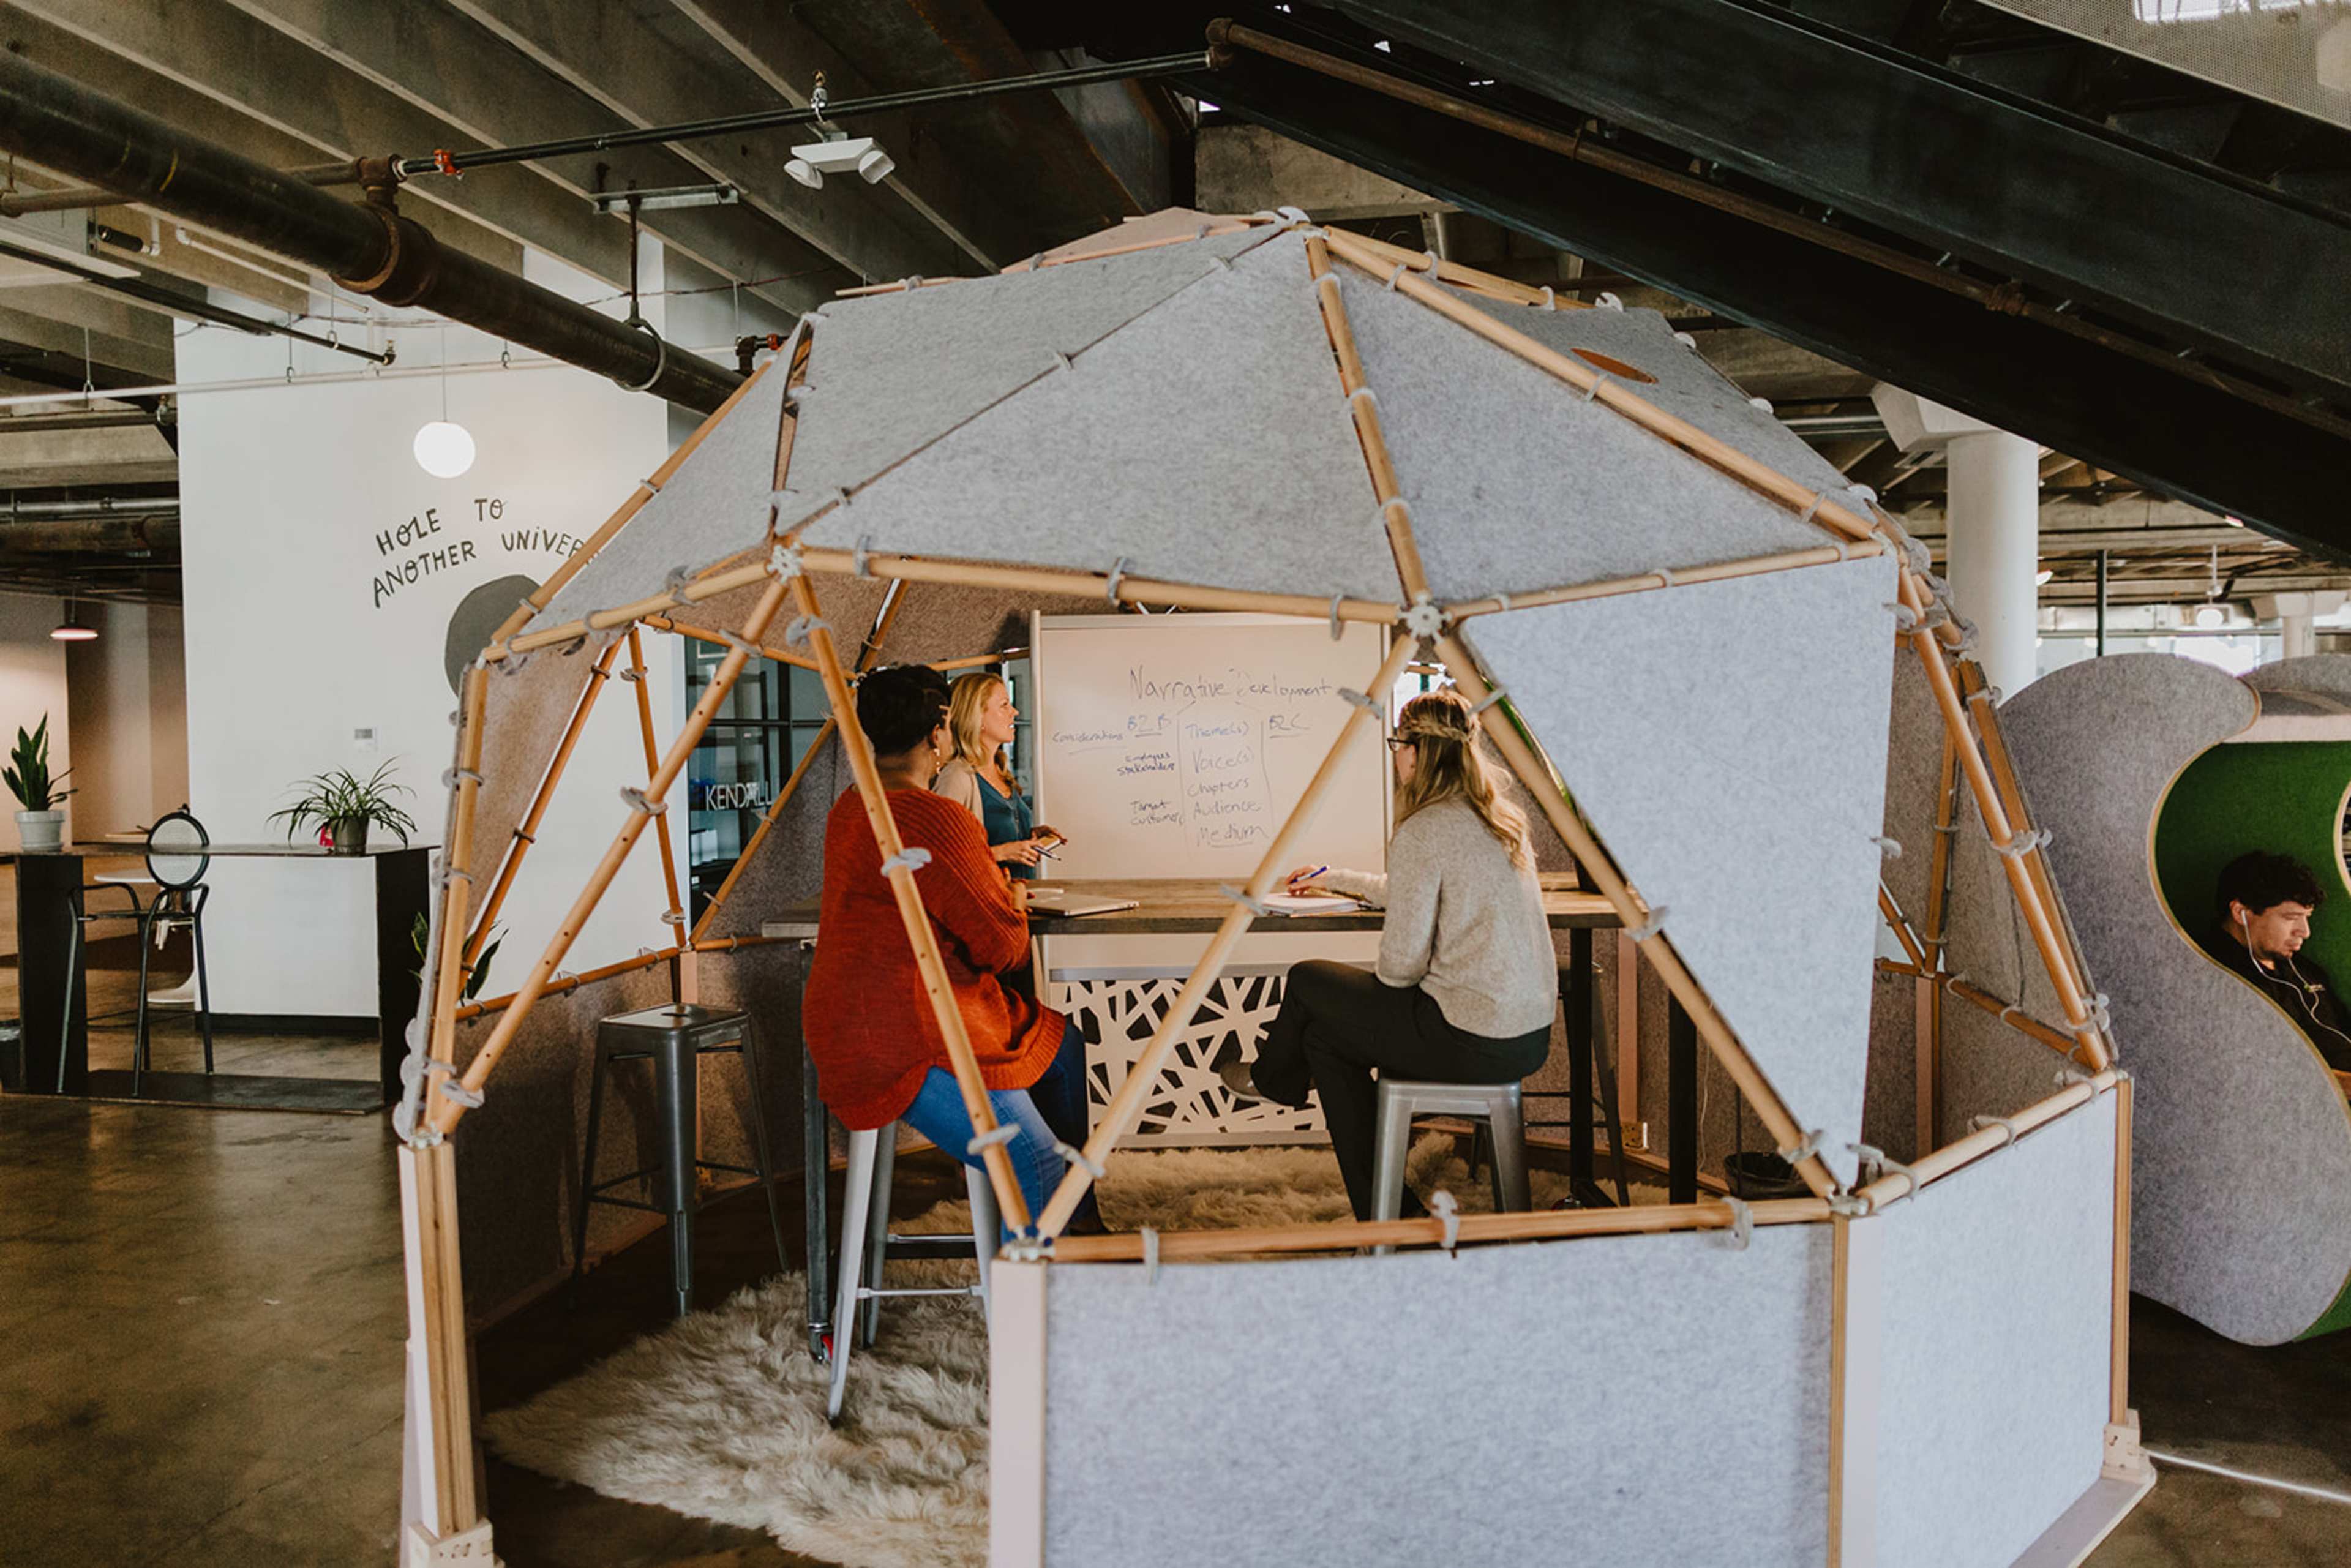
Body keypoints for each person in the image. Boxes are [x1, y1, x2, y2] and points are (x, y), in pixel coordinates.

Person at [1220, 689, 1556, 1221]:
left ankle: (1273, 1078)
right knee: (1322, 1037)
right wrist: (1338, 880)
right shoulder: (1500, 820)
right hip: (1527, 1037)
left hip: (1466, 1034)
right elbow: (1415, 885)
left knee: (1306, 979)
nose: (1395, 755)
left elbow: (1399, 970)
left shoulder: (1425, 828)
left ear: (1418, 753)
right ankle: (1392, 1214)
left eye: (1398, 743)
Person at [803, 664, 1101, 1231]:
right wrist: (1011, 897)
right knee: (1032, 1153)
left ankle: (1078, 1229)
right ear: (939, 731)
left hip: (844, 1022)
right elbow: (1003, 949)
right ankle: (1060, 1285)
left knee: (1063, 1046)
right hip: (910, 1033)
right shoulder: (937, 817)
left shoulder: (849, 807)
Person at [2203, 850, 2351, 1072]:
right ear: (2241, 912)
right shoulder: (2213, 977)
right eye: (2290, 918)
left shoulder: (2303, 969)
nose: (2304, 931)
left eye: (2307, 918)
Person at [931, 672, 1055, 880]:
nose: (1014, 712)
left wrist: (1029, 835)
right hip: (987, 905)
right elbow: (939, 854)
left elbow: (993, 833)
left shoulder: (1000, 770)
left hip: (1020, 900)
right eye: (1004, 705)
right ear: (977, 716)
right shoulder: (957, 777)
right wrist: (1002, 852)